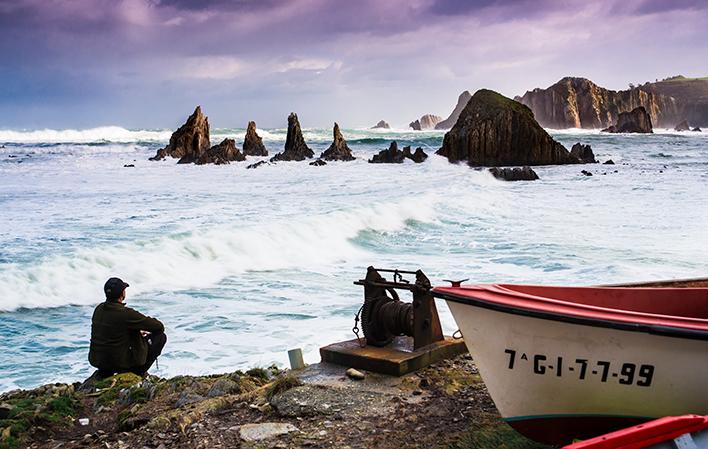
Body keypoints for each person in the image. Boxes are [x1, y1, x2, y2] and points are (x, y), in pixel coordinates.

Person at [88, 277, 166, 378]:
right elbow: (159, 327)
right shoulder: (126, 313)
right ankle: (138, 372)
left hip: (99, 361)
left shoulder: (98, 309)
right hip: (119, 363)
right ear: (122, 294)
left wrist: (135, 332)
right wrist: (137, 331)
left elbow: (114, 331)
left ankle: (105, 373)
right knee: (160, 337)